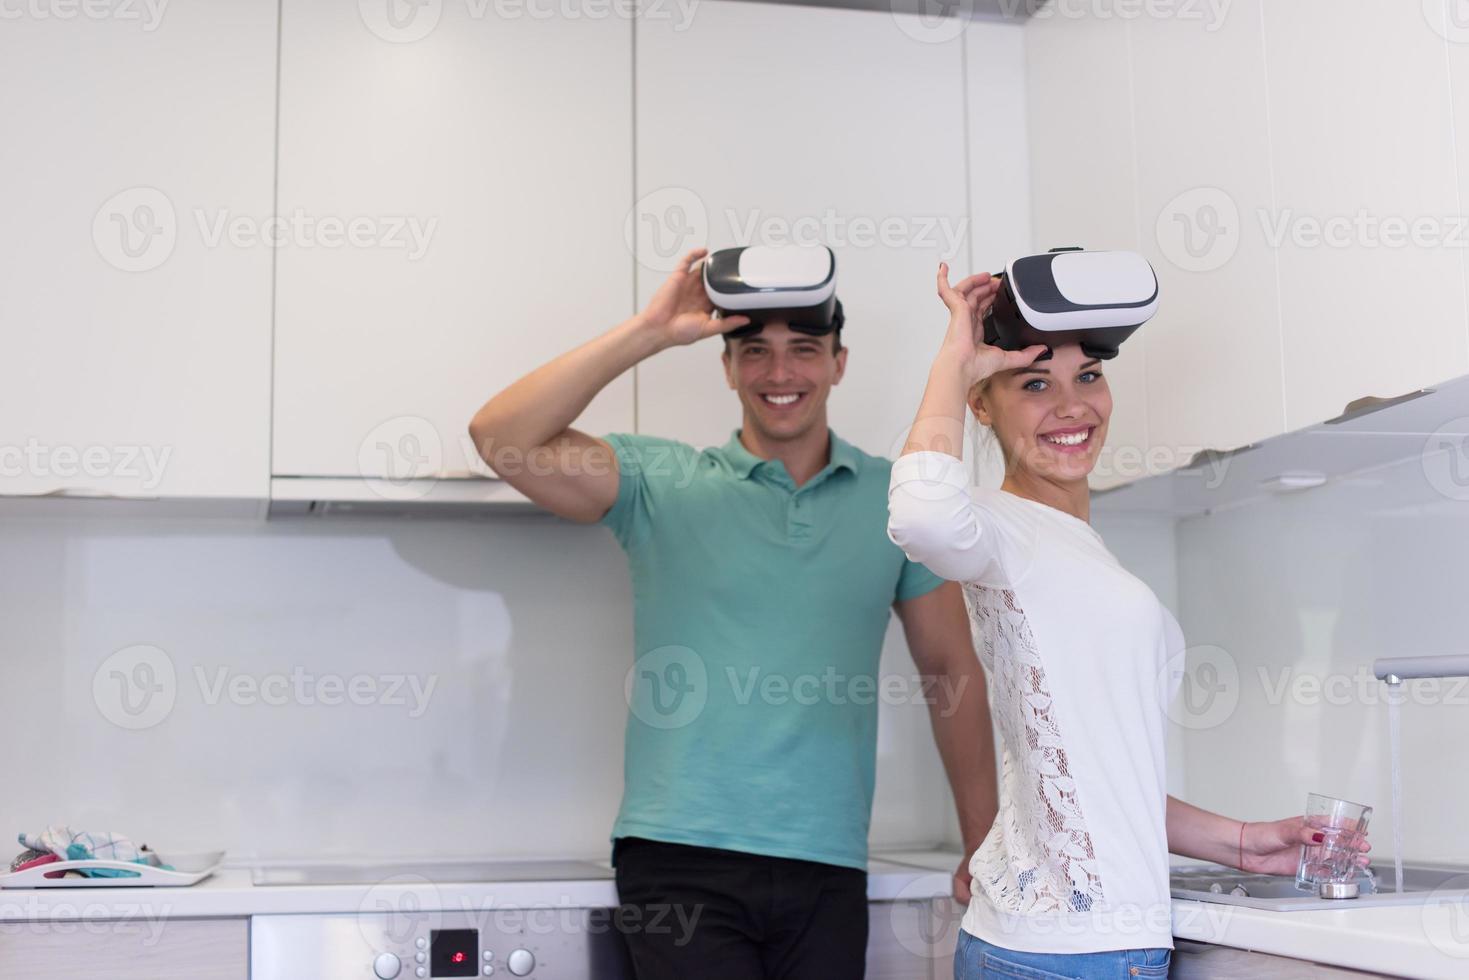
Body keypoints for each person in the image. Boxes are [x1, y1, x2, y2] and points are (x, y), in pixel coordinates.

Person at [467, 247, 998, 979]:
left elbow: (950, 672)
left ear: (838, 363)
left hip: (827, 862)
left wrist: (984, 843)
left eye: (803, 351)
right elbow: (501, 436)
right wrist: (649, 331)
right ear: (725, 367)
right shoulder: (661, 483)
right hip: (678, 861)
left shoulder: (896, 503)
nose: (779, 375)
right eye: (755, 352)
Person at [887, 263, 1372, 980]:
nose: (1071, 405)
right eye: (1033, 383)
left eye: (1087, 376)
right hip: (1062, 953)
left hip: (1079, 945)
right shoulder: (998, 527)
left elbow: (1098, 774)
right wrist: (955, 359)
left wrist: (1239, 842)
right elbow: (920, 513)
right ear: (980, 406)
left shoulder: (1074, 550)